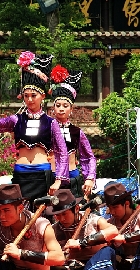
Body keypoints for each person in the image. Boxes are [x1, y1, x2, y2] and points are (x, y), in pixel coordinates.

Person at [0, 52, 69, 207]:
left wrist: (59, 180)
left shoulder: (51, 123)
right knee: (19, 215)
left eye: (33, 95)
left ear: (42, 96)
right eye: (26, 95)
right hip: (21, 174)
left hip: (42, 175)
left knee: (42, 217)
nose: (29, 99)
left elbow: (62, 153)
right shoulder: (17, 119)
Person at [46, 189, 119, 270]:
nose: (62, 219)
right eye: (58, 215)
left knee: (108, 251)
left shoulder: (93, 220)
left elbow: (113, 231)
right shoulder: (54, 229)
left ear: (76, 209)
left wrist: (82, 243)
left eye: (65, 214)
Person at [49, 65, 96, 198]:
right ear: (53, 108)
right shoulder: (47, 128)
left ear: (71, 109)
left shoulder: (76, 132)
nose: (61, 109)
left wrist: (89, 177)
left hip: (72, 177)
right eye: (58, 105)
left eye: (65, 106)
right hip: (51, 178)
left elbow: (88, 156)